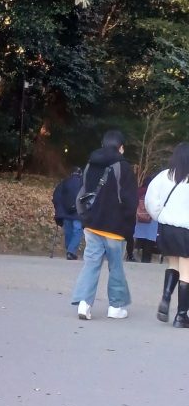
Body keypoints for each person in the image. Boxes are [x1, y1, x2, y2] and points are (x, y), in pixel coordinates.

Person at [70, 129, 138, 321]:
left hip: (92, 225)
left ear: (103, 144)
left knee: (91, 264)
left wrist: (84, 217)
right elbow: (130, 202)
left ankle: (84, 304)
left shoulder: (91, 164)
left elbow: (82, 191)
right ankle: (115, 307)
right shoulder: (124, 167)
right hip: (115, 229)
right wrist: (129, 230)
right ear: (121, 148)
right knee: (115, 267)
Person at [145, 143, 189, 326]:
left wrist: (160, 216)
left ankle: (165, 296)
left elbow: (150, 200)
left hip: (166, 228)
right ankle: (181, 316)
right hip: (186, 230)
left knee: (173, 264)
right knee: (187, 273)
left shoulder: (164, 176)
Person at [52, 167, 83, 259]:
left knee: (68, 231)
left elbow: (56, 197)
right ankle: (71, 251)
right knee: (77, 231)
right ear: (80, 173)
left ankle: (69, 251)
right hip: (78, 212)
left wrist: (59, 209)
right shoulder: (83, 183)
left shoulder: (64, 182)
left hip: (65, 212)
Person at [133, 176, 158, 264]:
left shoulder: (138, 191)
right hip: (152, 219)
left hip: (139, 218)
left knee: (137, 237)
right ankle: (146, 260)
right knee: (149, 239)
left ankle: (132, 255)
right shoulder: (155, 192)